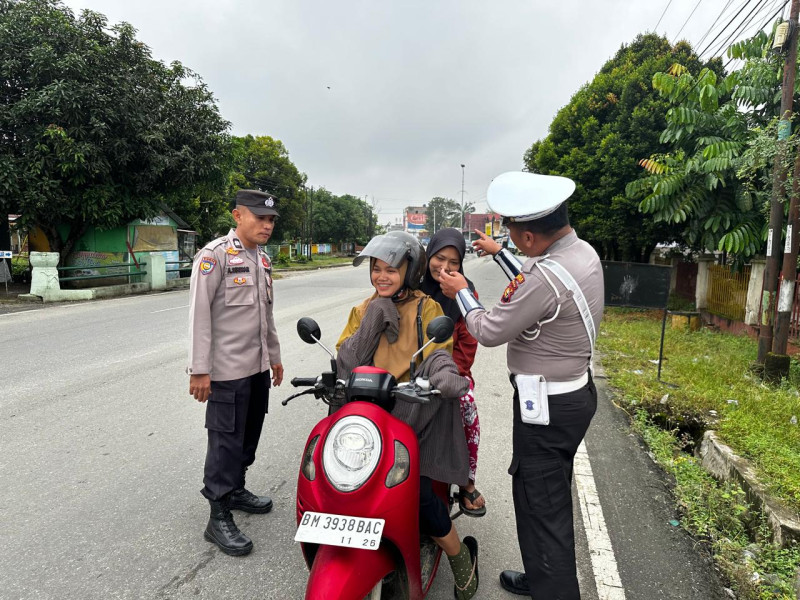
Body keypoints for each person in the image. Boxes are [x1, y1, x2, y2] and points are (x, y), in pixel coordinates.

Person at [439, 172, 604, 599]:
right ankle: (543, 574)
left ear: (529, 236)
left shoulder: (545, 278)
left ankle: (554, 588)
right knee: (545, 496)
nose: (507, 236)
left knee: (540, 505)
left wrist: (461, 291)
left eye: (510, 231)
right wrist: (499, 254)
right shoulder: (578, 251)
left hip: (547, 408)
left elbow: (490, 329)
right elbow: (534, 280)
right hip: (573, 394)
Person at [335, 230, 479, 600]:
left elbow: (438, 352)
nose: (382, 276)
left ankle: (457, 554)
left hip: (411, 413)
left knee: (412, 490)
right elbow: (346, 364)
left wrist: (446, 373)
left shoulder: (427, 308)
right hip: (366, 416)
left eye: (391, 270)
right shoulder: (363, 309)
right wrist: (374, 319)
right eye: (376, 269)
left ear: (410, 271)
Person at [187, 189, 284, 557]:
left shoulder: (262, 259)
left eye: (271, 220)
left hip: (256, 367)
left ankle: (237, 488)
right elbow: (199, 314)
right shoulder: (215, 257)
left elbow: (265, 315)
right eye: (260, 217)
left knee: (249, 436)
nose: (267, 225)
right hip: (225, 371)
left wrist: (273, 357)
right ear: (238, 216)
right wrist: (200, 369)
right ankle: (218, 513)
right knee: (224, 442)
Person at [421, 228, 485, 517]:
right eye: (439, 258)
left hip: (449, 376)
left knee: (466, 409)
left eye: (454, 262)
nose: (445, 267)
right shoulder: (411, 285)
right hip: (407, 372)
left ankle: (466, 482)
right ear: (428, 255)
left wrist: (446, 377)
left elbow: (466, 346)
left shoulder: (466, 294)